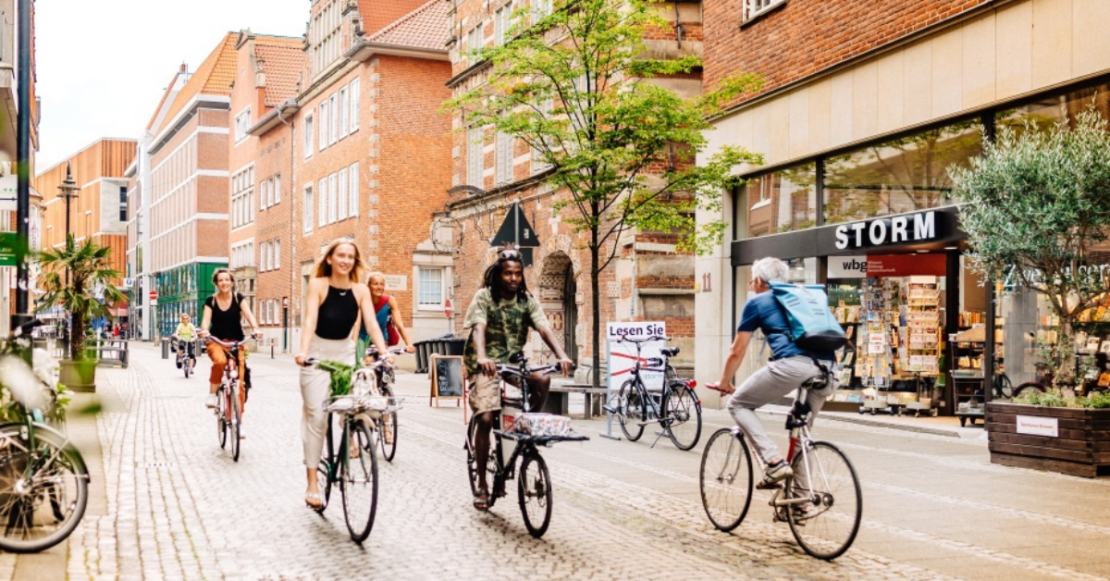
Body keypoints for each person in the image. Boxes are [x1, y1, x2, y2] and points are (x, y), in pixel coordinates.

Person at [707, 257, 838, 488]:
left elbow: (737, 350)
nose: (751, 286)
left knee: (738, 404)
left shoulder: (758, 302)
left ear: (759, 280)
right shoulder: (805, 296)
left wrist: (725, 382)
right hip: (828, 369)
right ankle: (800, 503)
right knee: (802, 431)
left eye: (751, 281)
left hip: (793, 365)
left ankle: (774, 462)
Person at [464, 247, 574, 511]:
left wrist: (561, 354)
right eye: (507, 274)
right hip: (485, 362)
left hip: (512, 360)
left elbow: (543, 327)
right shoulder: (484, 297)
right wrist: (481, 356)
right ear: (498, 275)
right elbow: (478, 328)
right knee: (487, 416)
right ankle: (482, 482)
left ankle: (525, 428)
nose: (513, 279)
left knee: (542, 380)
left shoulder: (526, 300)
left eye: (517, 274)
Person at [294, 240, 392, 510]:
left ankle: (349, 430)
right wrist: (302, 352)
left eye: (350, 256)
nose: (345, 260)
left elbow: (371, 324)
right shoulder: (318, 285)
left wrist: (384, 352)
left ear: (355, 261)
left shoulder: (360, 290)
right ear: (330, 259)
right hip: (317, 354)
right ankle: (313, 482)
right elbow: (310, 321)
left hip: (345, 355)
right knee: (317, 418)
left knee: (362, 402)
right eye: (341, 255)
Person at [198, 269, 263, 436]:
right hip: (217, 341)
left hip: (236, 342)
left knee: (240, 384)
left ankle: (238, 421)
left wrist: (256, 328)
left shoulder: (238, 298)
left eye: (227, 280)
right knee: (219, 362)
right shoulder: (210, 300)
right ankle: (213, 394)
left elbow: (249, 315)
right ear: (216, 283)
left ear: (232, 282)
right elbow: (205, 320)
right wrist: (204, 330)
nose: (224, 283)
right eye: (221, 280)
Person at [355, 271, 416, 366]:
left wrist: (409, 344)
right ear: (368, 286)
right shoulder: (361, 301)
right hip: (362, 340)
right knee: (366, 364)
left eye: (382, 284)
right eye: (375, 284)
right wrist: (353, 343)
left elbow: (399, 324)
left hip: (381, 339)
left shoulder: (390, 301)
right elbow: (356, 324)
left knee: (385, 363)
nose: (379, 287)